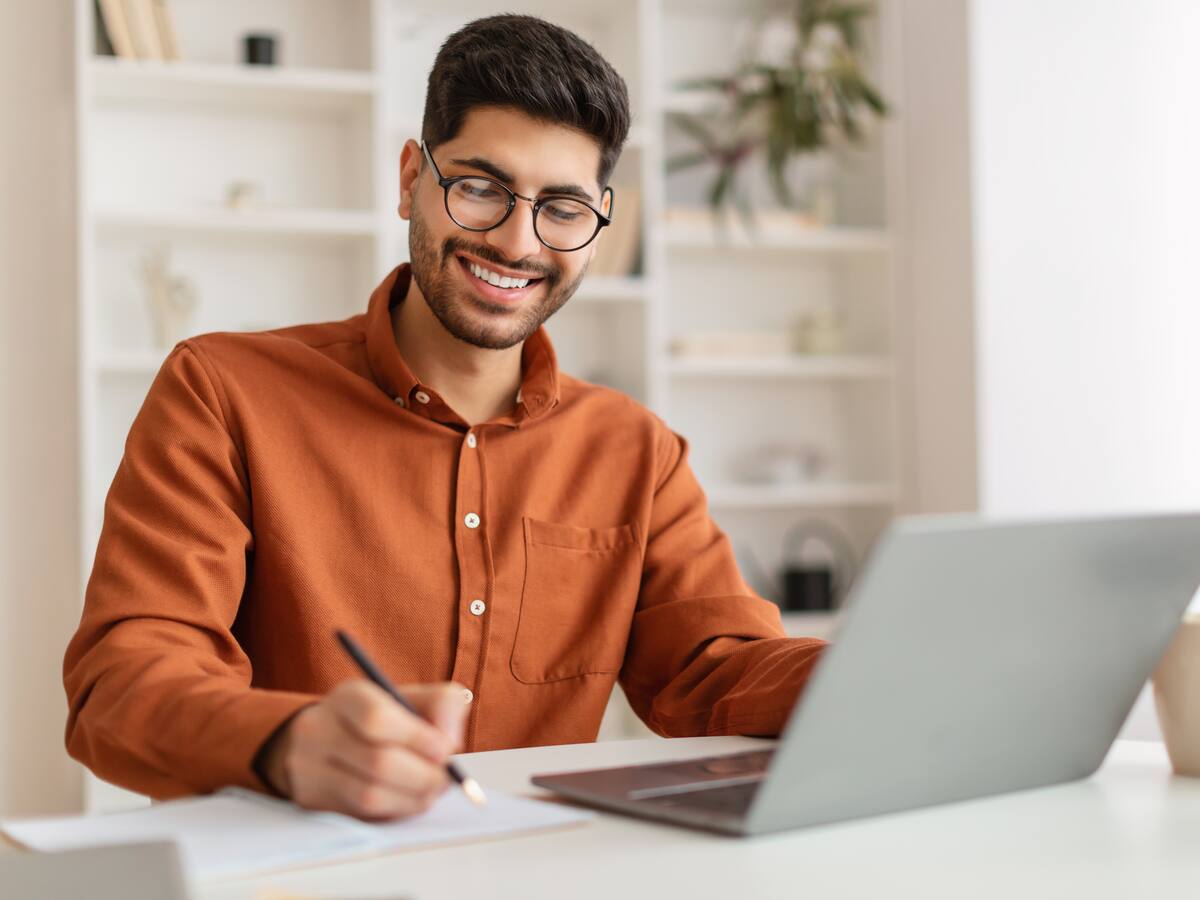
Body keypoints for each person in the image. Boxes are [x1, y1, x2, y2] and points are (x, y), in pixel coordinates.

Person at [63, 14, 827, 822]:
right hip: (288, 866)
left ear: (598, 220)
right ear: (410, 180)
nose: (518, 242)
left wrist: (875, 673)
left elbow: (715, 670)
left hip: (531, 868)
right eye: (480, 189)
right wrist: (286, 743)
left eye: (563, 207)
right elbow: (123, 683)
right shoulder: (223, 392)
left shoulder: (636, 450)